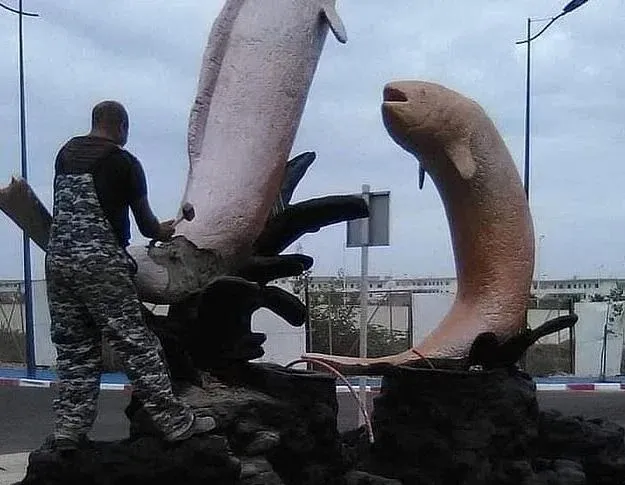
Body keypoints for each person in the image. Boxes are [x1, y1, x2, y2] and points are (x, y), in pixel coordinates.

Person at [42, 100, 215, 451]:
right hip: (101, 265)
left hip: (58, 261)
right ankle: (175, 423)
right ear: (121, 125)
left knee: (75, 348)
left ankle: (69, 431)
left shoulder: (65, 154)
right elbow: (147, 224)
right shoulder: (124, 162)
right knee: (136, 344)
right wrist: (164, 231)